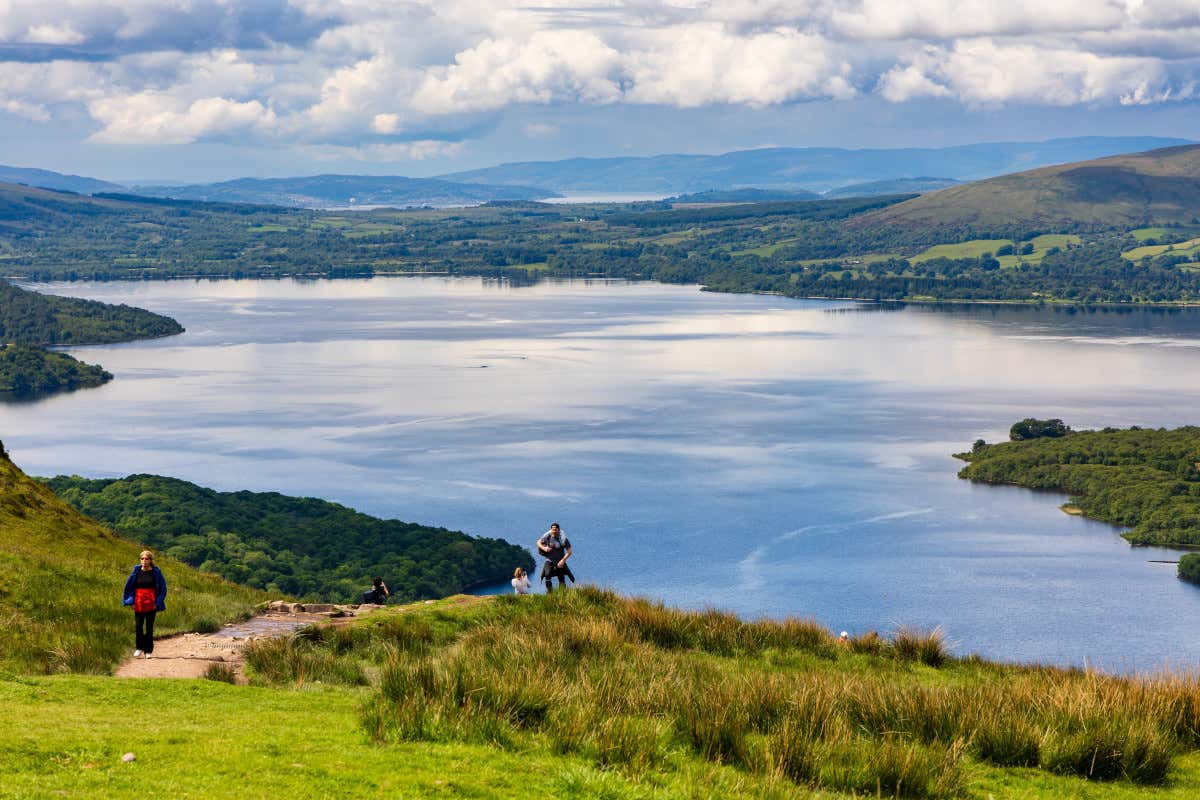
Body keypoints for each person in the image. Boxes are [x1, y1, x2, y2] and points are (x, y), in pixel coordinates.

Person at [122, 550, 167, 658]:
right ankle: (139, 647)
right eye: (142, 559)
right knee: (138, 626)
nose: (144, 561)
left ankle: (148, 651)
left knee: (149, 627)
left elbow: (163, 589)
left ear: (151, 560)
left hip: (152, 603)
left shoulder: (156, 572)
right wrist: (131, 601)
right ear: (140, 560)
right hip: (139, 602)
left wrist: (158, 602)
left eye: (147, 559)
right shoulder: (136, 572)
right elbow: (129, 588)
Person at [536, 522, 574, 593]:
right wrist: (544, 548)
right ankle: (550, 593)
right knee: (547, 575)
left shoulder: (563, 539)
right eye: (553, 529)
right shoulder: (548, 537)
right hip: (549, 560)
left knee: (561, 577)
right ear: (551, 530)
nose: (554, 531)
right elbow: (538, 542)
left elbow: (569, 552)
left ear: (559, 530)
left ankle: (562, 593)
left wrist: (563, 560)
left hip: (560, 561)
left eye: (556, 529)